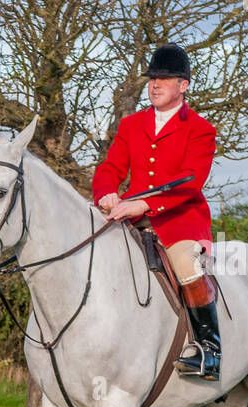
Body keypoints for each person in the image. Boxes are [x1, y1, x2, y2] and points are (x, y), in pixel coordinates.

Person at [91, 44, 221, 380]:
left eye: (164, 78)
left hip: (179, 221)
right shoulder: (132, 124)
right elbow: (111, 166)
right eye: (152, 79)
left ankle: (209, 348)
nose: (155, 84)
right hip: (130, 217)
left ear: (184, 85)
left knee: (186, 265)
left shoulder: (201, 129)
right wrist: (106, 193)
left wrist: (143, 204)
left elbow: (189, 184)